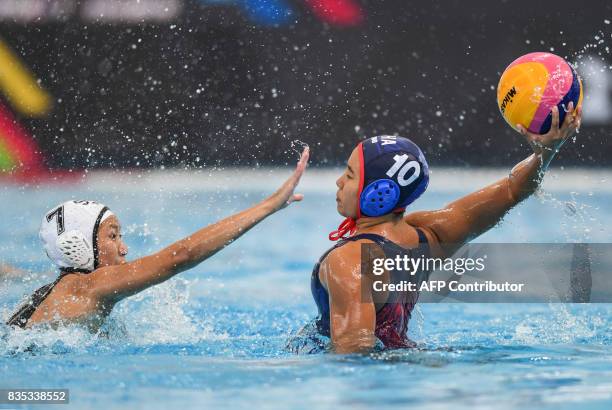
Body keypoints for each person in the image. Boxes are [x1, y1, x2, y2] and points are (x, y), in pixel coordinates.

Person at [311, 103, 582, 354]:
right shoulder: (426, 237)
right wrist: (547, 152)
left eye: (349, 175)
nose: (338, 182)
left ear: (380, 192)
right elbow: (511, 191)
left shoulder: (349, 261)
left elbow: (354, 352)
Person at [6, 148, 309, 331]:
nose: (124, 248)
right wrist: (268, 206)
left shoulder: (53, 294)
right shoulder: (87, 286)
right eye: (113, 236)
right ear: (77, 244)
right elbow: (182, 255)